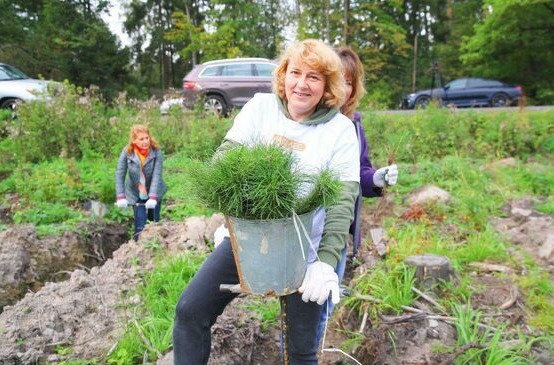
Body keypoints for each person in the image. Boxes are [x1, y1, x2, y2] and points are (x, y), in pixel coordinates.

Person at [173, 39, 360, 365]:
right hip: (247, 239)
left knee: (300, 349)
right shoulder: (260, 108)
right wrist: (227, 219)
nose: (302, 84)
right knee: (190, 311)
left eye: (314, 77)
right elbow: (226, 160)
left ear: (327, 86)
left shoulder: (340, 130)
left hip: (305, 251)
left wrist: (327, 263)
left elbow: (342, 202)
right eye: (295, 72)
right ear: (283, 75)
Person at [315, 46, 399, 341]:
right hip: (307, 228)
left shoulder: (354, 125)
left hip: (340, 229)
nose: (342, 87)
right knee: (304, 303)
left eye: (349, 81)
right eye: (336, 78)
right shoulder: (310, 121)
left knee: (327, 294)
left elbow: (359, 172)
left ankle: (319, 350)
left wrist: (375, 178)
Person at [115, 124, 167, 241]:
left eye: (147, 138)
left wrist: (153, 197)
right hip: (135, 191)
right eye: (141, 139)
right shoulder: (127, 152)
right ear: (134, 141)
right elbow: (120, 173)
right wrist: (120, 196)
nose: (145, 141)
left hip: (154, 189)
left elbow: (157, 174)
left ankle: (155, 247)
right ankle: (138, 248)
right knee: (140, 223)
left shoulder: (156, 151)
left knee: (153, 222)